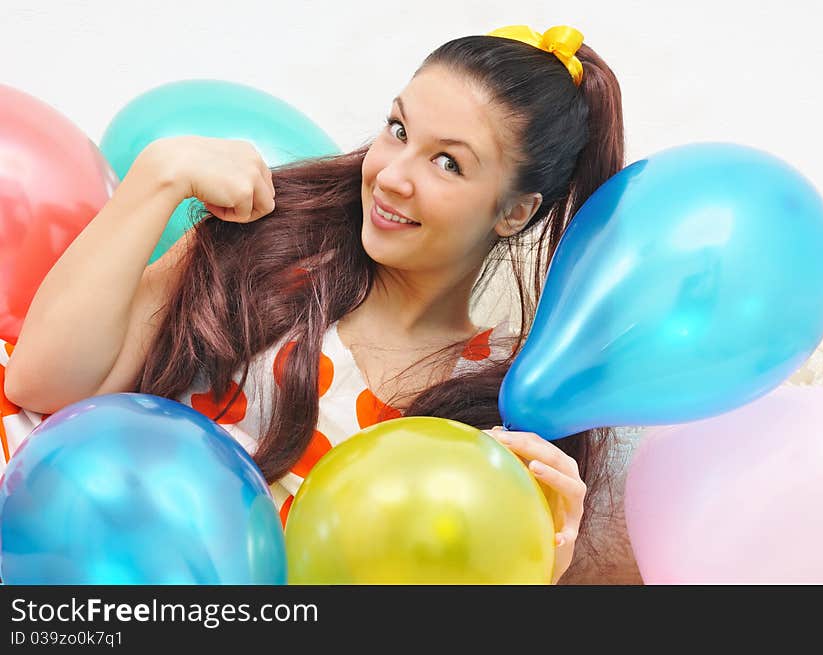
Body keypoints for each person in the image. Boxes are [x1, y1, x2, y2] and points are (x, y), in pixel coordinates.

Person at [2, 25, 640, 584]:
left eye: (448, 163)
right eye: (399, 130)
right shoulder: (274, 239)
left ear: (514, 211)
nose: (391, 174)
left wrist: (532, 565)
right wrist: (161, 174)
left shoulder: (493, 414)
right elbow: (43, 382)